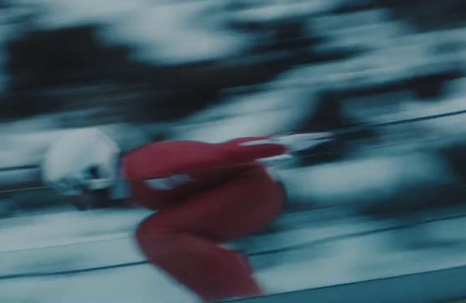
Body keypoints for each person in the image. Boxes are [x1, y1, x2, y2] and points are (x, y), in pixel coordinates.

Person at [40, 127, 333, 302]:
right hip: (240, 194)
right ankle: (232, 291)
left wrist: (284, 143)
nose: (74, 199)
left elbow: (222, 153)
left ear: (95, 171)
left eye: (73, 187)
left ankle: (240, 294)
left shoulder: (149, 171)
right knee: (157, 234)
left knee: (154, 235)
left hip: (255, 191)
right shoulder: (132, 183)